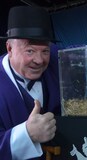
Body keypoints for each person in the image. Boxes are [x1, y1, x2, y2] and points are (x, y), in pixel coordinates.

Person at [0, 5, 61, 160]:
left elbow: (75, 53)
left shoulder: (53, 55)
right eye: (30, 51)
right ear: (9, 48)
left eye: (45, 51)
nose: (39, 60)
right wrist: (27, 134)